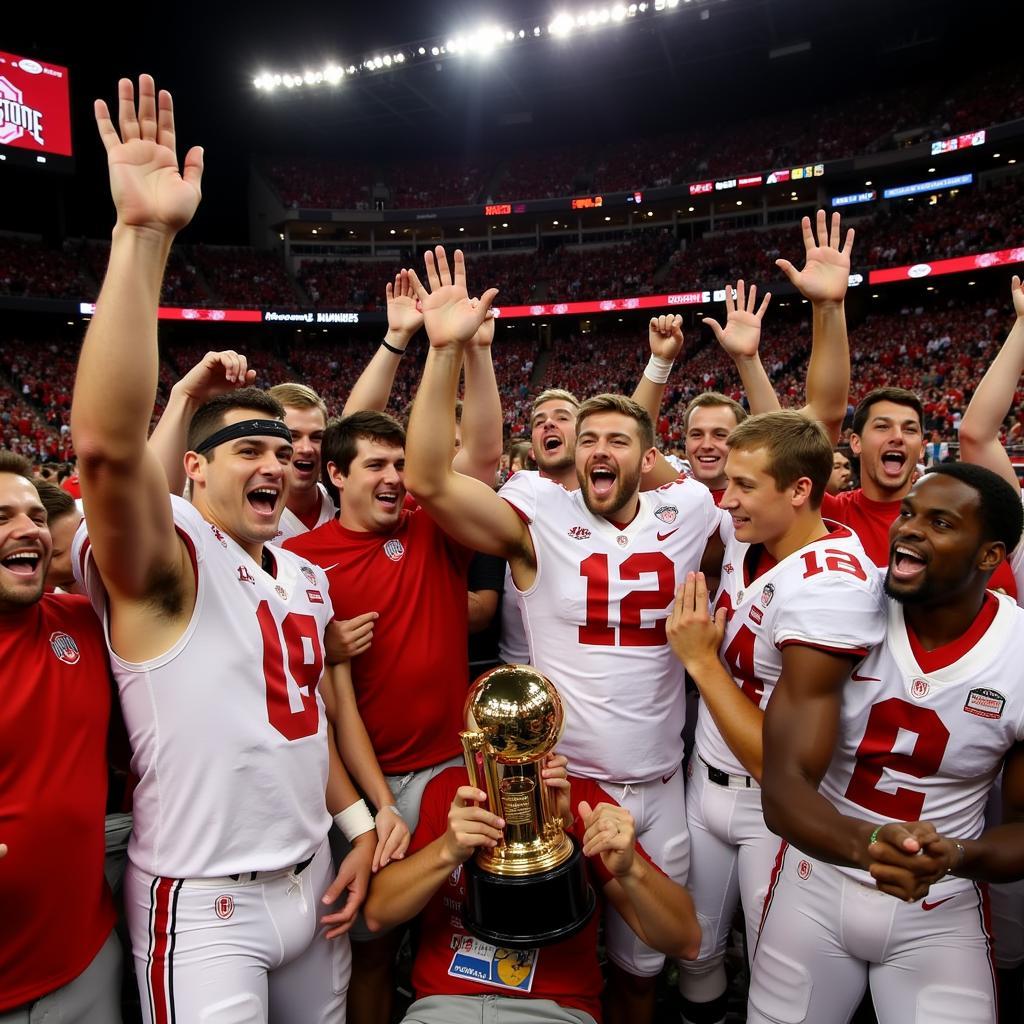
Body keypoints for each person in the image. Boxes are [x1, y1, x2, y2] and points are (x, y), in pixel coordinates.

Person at [71, 74, 373, 1022]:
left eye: (284, 452)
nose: (276, 465)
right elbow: (109, 453)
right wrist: (145, 237)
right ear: (195, 476)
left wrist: (359, 820)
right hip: (205, 904)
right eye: (250, 449)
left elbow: (299, 727)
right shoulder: (173, 566)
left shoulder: (303, 572)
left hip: (312, 881)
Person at [404, 245, 723, 1024]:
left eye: (618, 441)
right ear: (571, 457)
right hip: (559, 784)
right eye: (587, 440)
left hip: (660, 783)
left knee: (648, 969)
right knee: (561, 957)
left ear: (650, 461)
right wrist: (445, 350)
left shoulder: (691, 512)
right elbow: (429, 481)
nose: (600, 451)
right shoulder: (536, 518)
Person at [752, 463, 1024, 1024]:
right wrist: (869, 843)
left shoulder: (1016, 654)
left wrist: (955, 854)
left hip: (942, 903)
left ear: (990, 557)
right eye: (908, 513)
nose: (909, 530)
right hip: (815, 882)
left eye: (940, 523)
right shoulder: (838, 607)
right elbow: (783, 788)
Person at [666, 411, 885, 1024]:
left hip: (774, 807)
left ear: (798, 490)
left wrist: (702, 664)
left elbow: (787, 770)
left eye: (743, 486)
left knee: (778, 971)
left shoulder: (829, 588)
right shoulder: (755, 533)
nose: (725, 500)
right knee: (698, 947)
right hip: (704, 777)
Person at [284, 407, 489, 1024]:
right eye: (376, 464)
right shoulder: (299, 560)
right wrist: (325, 648)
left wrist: (470, 351)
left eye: (400, 464)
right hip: (348, 788)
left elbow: (478, 461)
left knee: (455, 936)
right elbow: (295, 681)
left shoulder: (432, 529)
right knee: (368, 948)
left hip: (446, 773)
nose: (395, 477)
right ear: (337, 475)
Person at [362, 753, 701, 1024]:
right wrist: (446, 850)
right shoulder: (454, 796)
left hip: (554, 1010)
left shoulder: (580, 804)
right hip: (444, 1007)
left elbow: (684, 940)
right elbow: (378, 914)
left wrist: (631, 870)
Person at [0, 452, 121, 1023]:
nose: (27, 529)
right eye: (2, 517)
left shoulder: (80, 623)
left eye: (34, 516)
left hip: (86, 956)